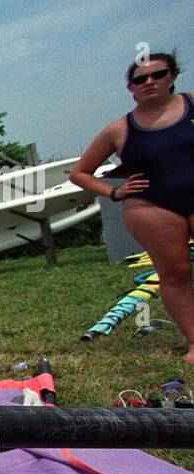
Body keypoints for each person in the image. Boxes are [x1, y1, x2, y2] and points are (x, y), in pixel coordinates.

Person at [70, 52, 194, 365]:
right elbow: (79, 173)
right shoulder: (120, 129)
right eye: (141, 79)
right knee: (175, 273)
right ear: (131, 87)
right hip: (152, 206)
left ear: (173, 76)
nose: (149, 82)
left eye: (158, 74)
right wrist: (114, 192)